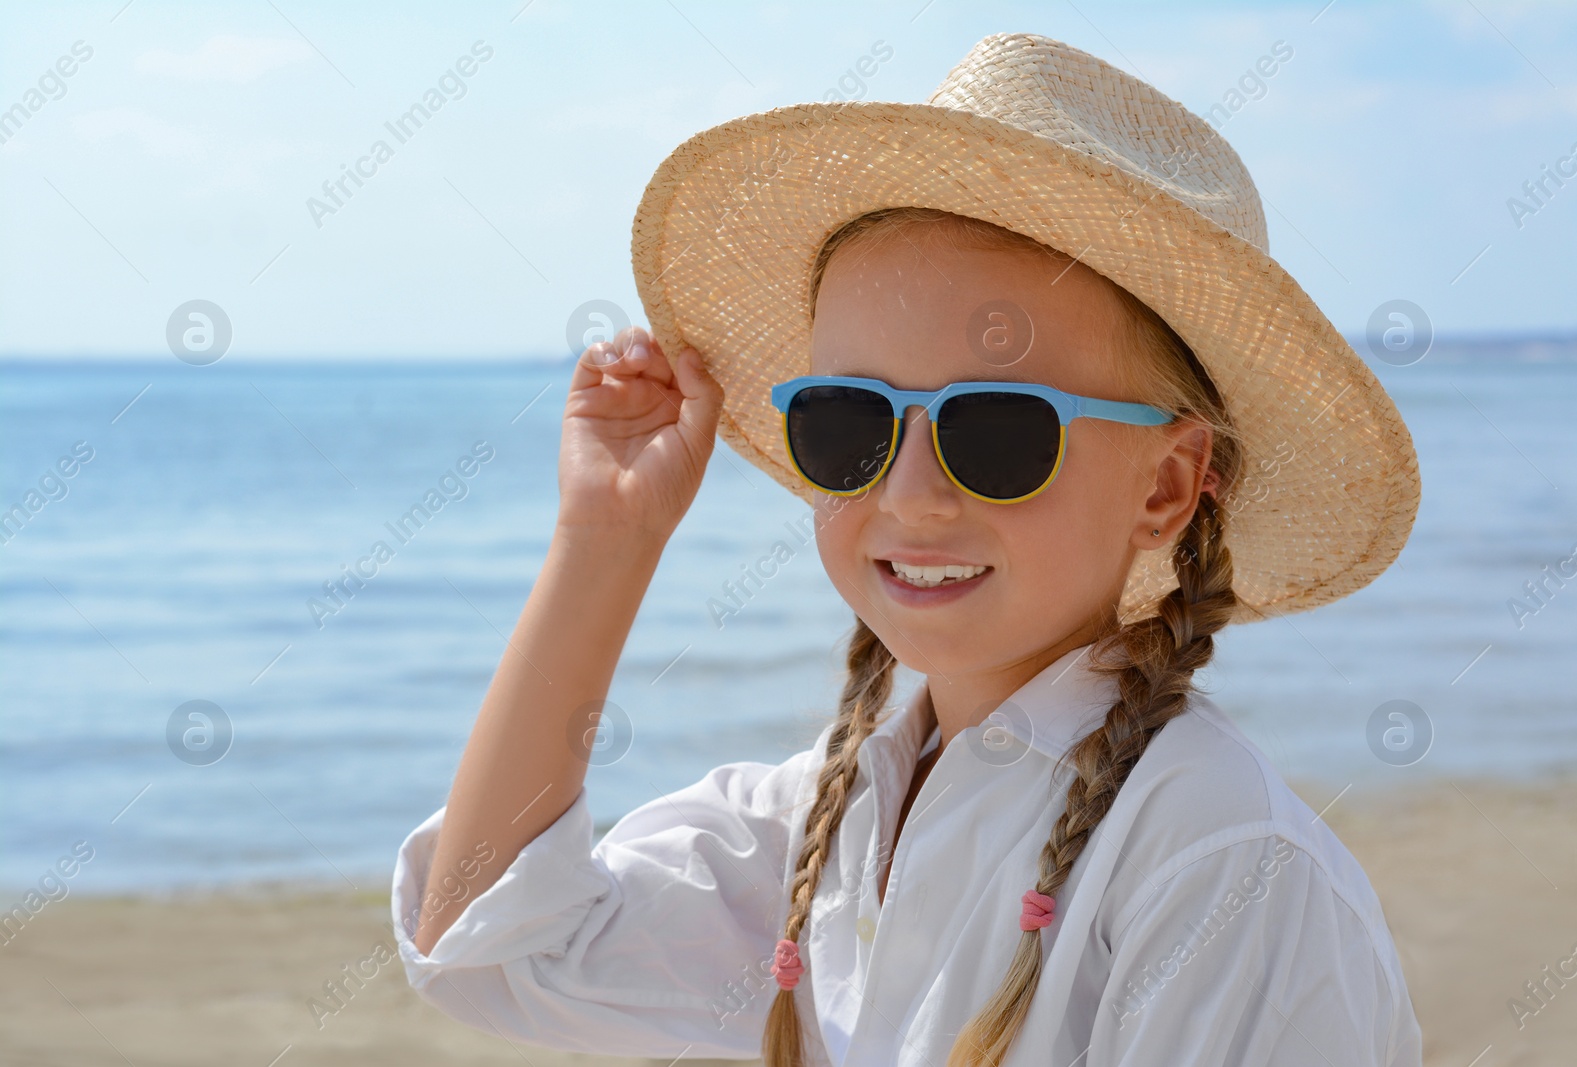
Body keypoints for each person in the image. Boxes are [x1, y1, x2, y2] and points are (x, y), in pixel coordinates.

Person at [391, 31, 1423, 1066]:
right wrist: (605, 538)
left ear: (1164, 484)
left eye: (999, 430)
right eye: (849, 422)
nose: (911, 493)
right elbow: (487, 937)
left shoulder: (1221, 862)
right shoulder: (826, 824)